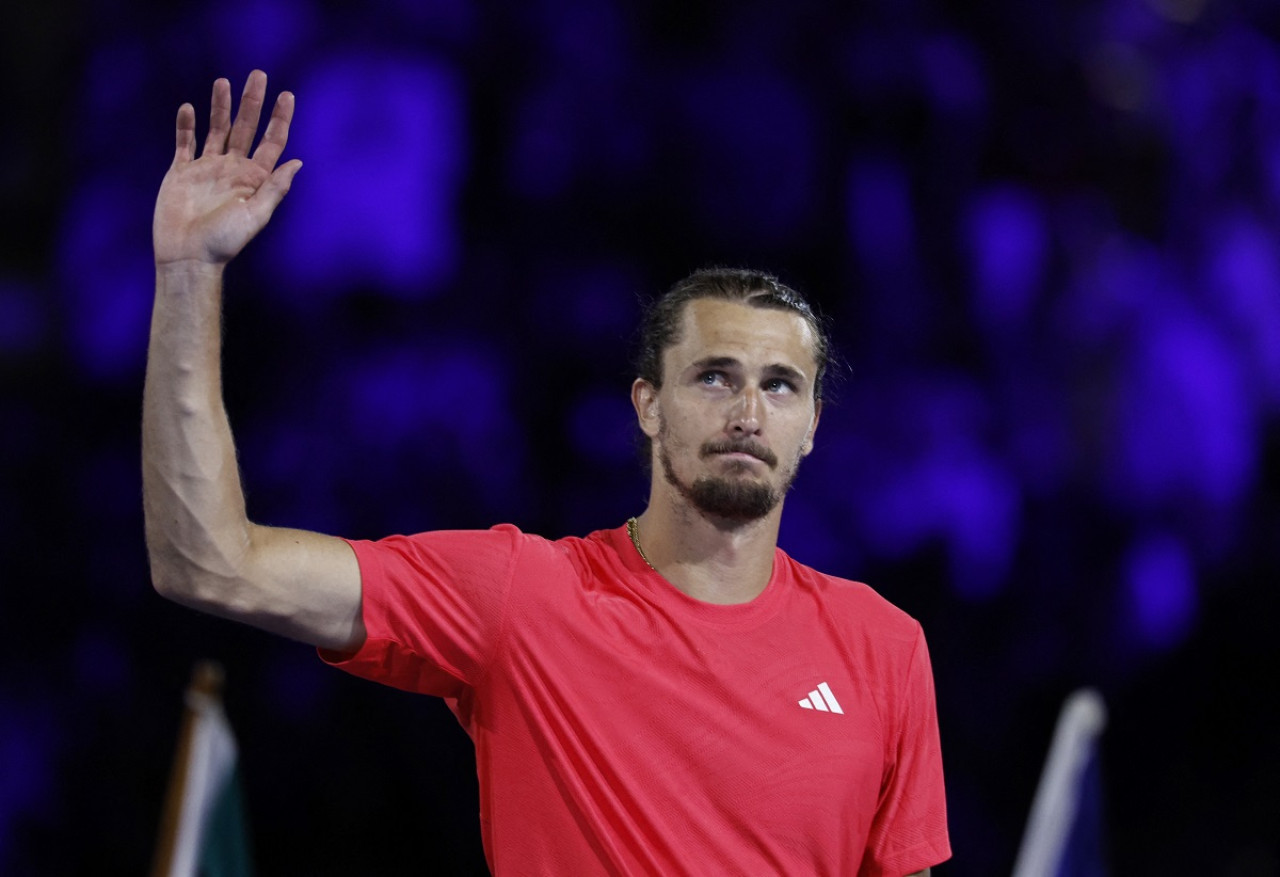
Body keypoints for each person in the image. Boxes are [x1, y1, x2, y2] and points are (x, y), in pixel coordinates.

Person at [144, 70, 951, 876]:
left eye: (780, 385)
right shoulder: (522, 595)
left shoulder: (884, 646)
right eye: (713, 375)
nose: (747, 410)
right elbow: (210, 562)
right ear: (648, 405)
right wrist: (189, 275)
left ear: (811, 425)